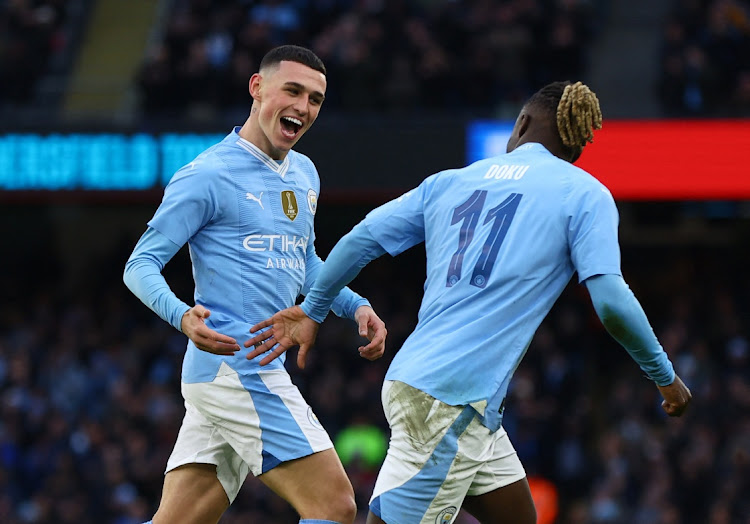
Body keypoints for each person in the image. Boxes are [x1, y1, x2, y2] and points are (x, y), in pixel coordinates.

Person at [245, 80, 693, 524]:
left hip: (446, 394)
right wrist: (665, 377)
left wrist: (315, 309)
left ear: (521, 124)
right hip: (451, 405)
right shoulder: (584, 193)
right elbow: (611, 302)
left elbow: (360, 239)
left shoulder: (451, 182)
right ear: (576, 147)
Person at [123, 45, 387, 524]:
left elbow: (303, 261)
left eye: (315, 99)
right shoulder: (206, 174)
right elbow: (139, 265)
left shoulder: (305, 173)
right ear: (257, 87)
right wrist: (182, 315)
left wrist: (355, 306)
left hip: (236, 369)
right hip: (236, 362)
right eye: (293, 90)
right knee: (334, 504)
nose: (303, 108)